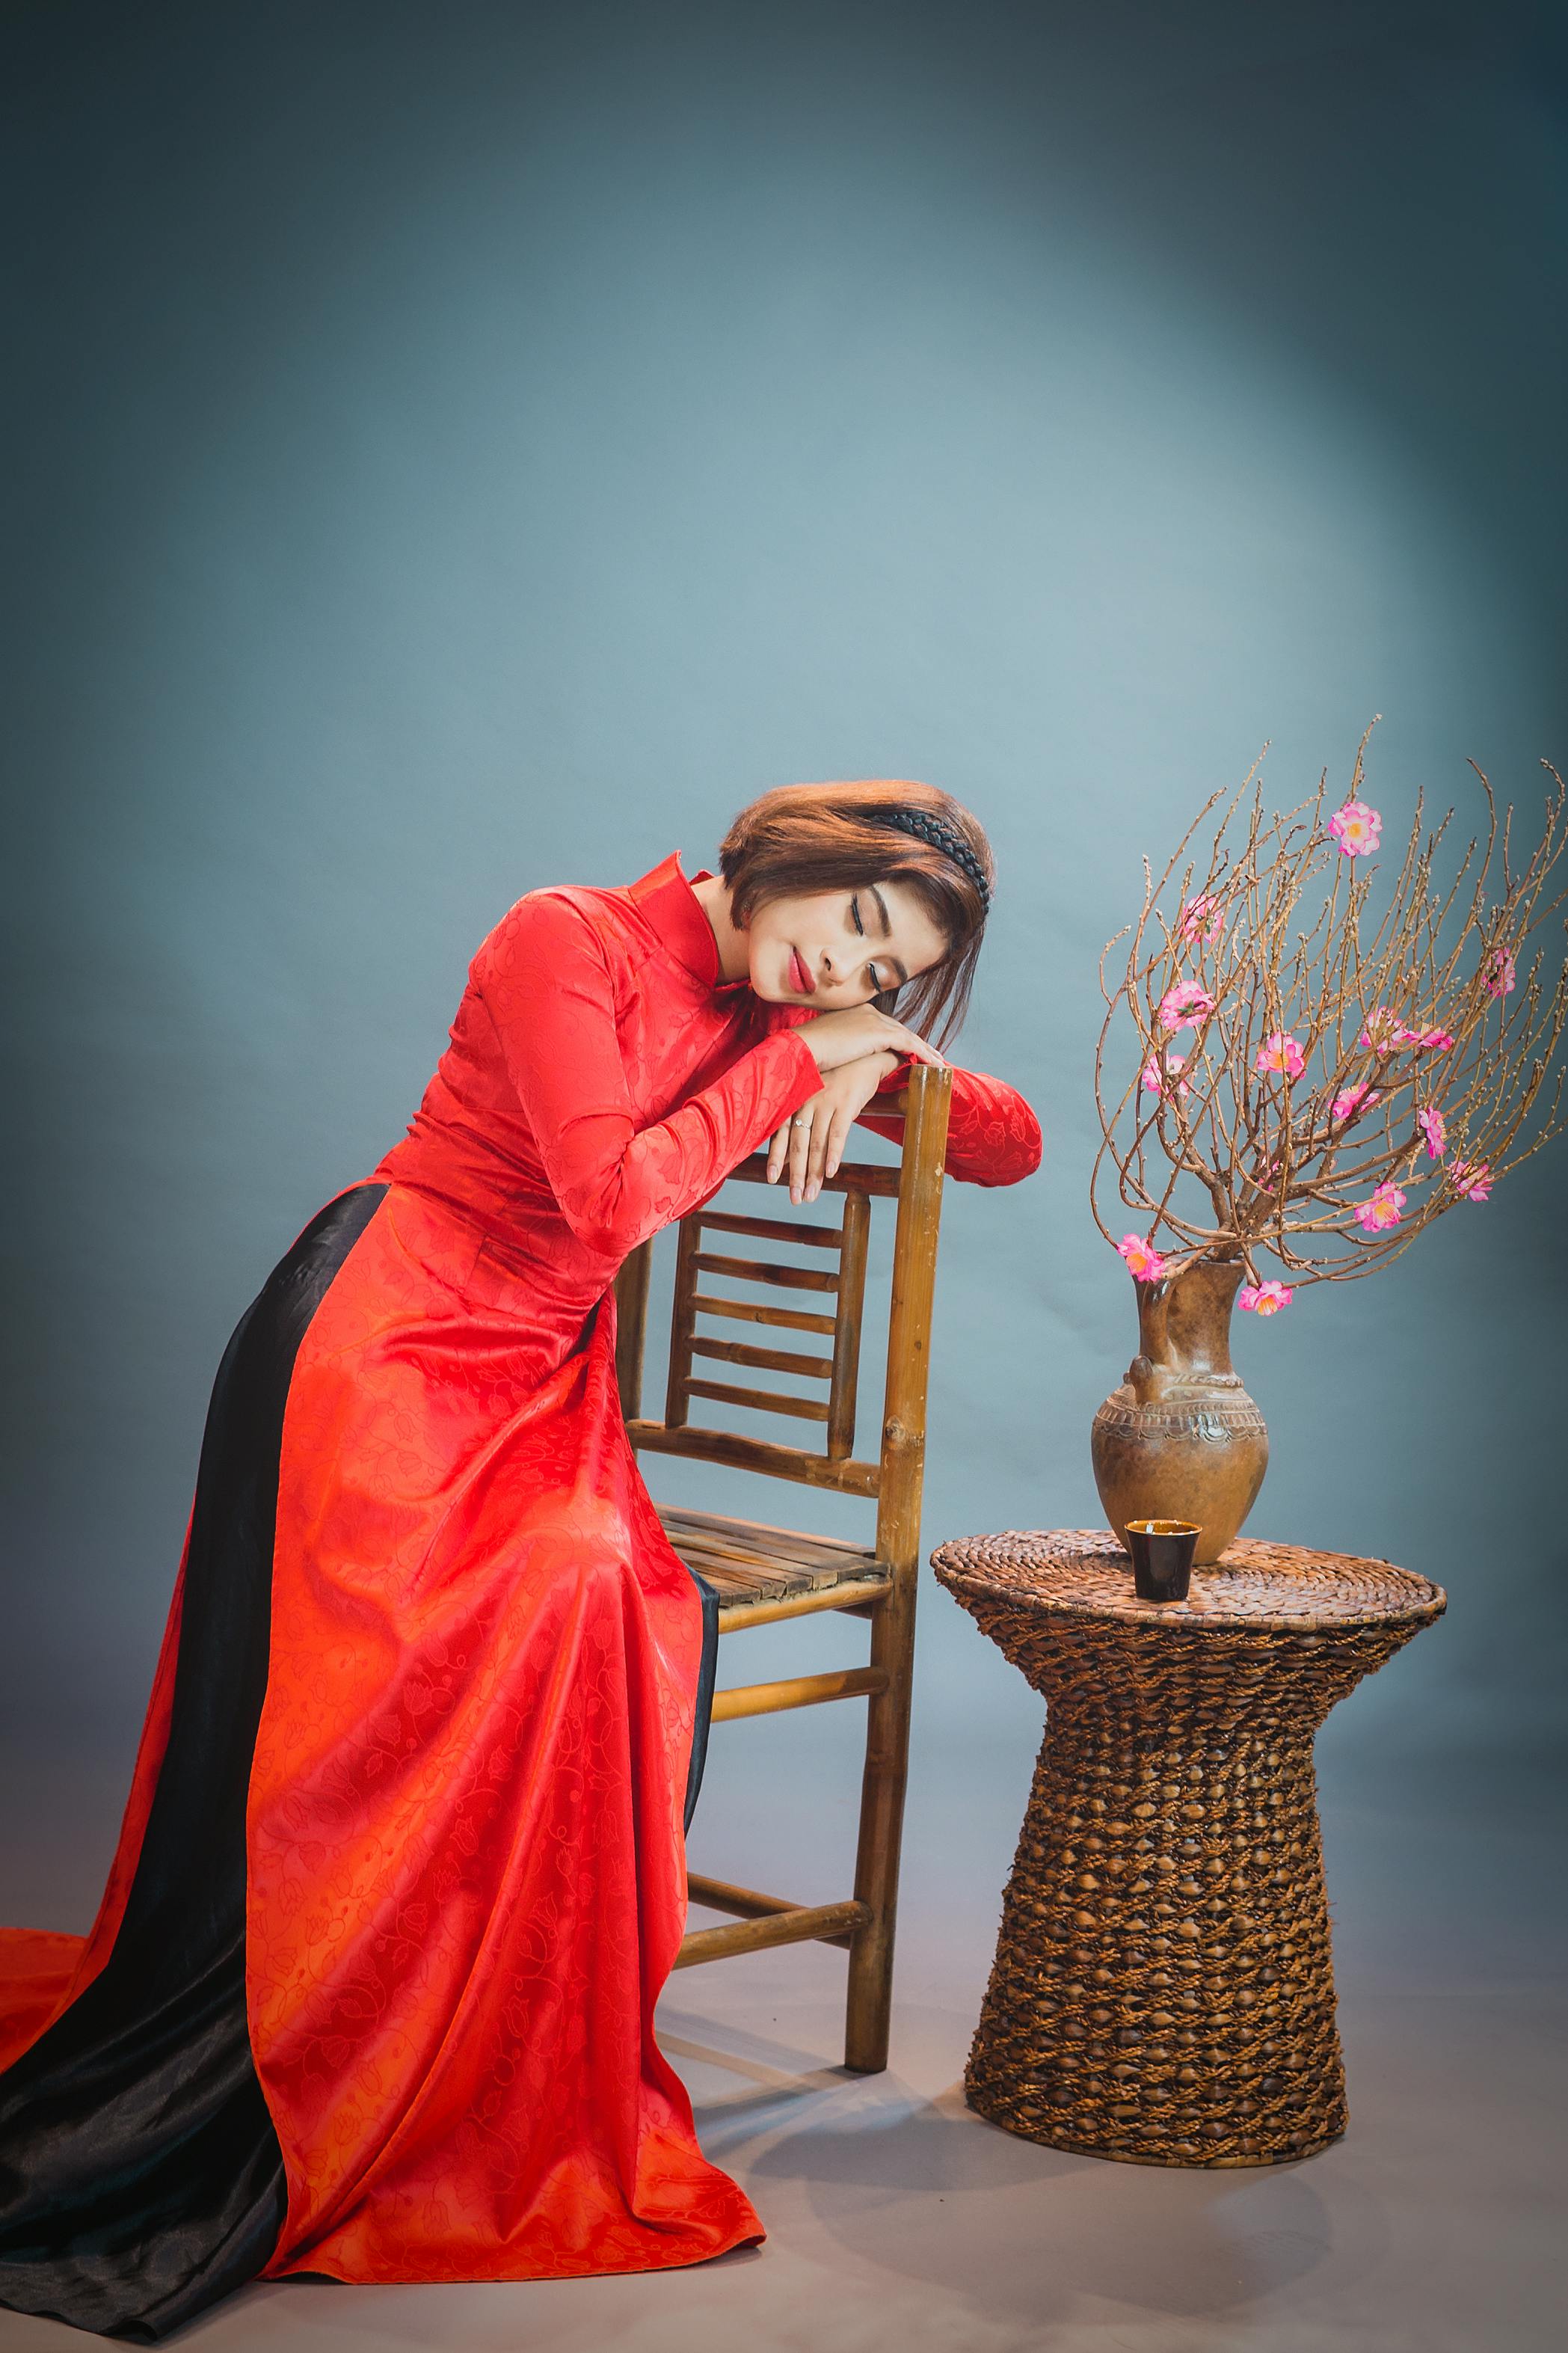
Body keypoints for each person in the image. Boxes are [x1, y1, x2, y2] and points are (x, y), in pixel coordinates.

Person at [0, 779, 1042, 2338]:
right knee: (529, 1603)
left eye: (884, 966)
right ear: (791, 863)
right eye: (854, 923)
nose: (845, 966)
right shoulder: (564, 936)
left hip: (535, 1380)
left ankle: (477, 2042)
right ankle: (321, 2033)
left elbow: (1007, 1146)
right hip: (384, 1338)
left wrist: (887, 1052)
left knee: (597, 1591)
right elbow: (609, 1197)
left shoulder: (779, 1012)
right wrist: (796, 1063)